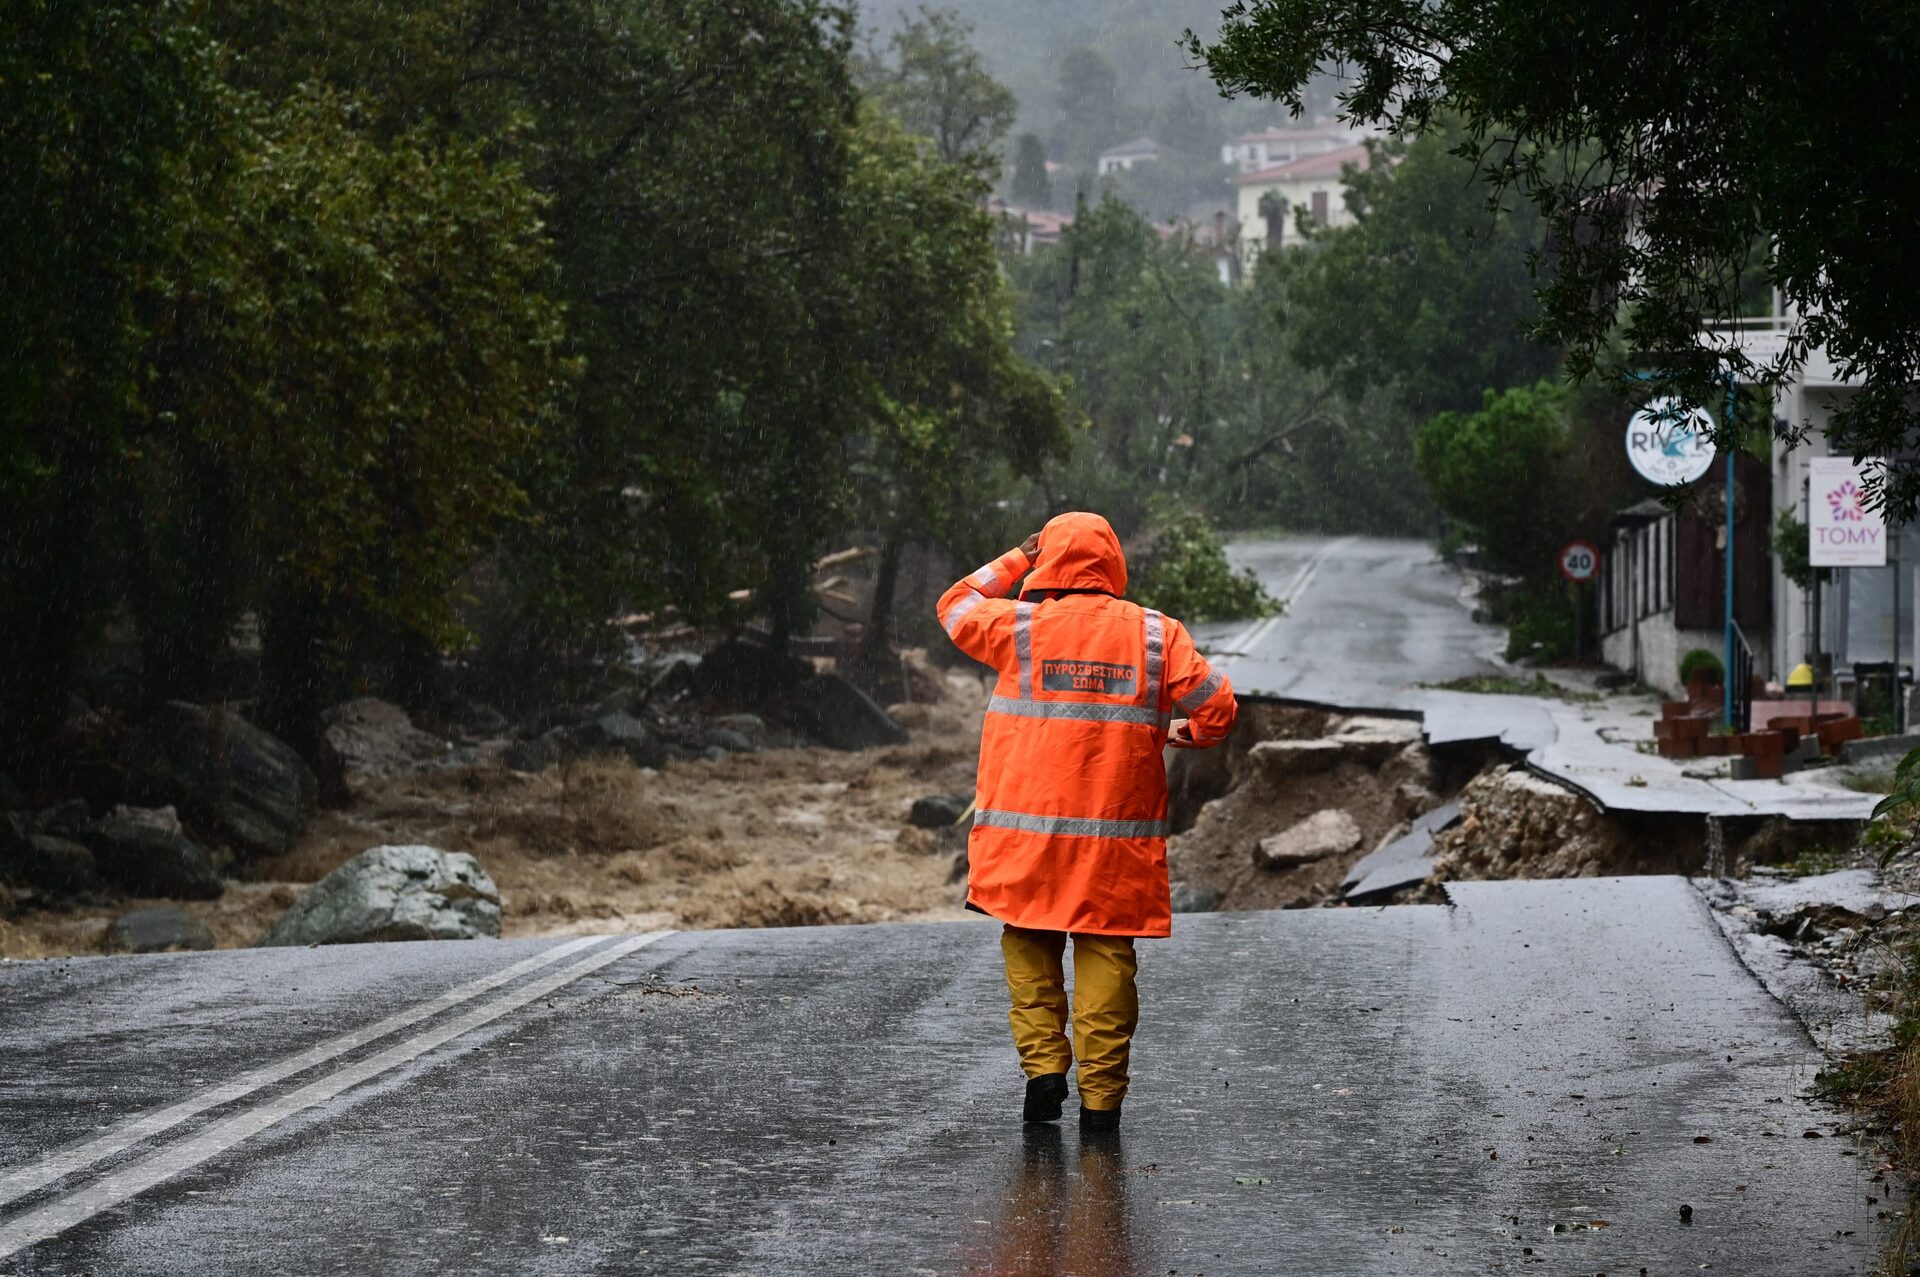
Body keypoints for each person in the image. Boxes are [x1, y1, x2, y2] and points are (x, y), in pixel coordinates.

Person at [937, 511, 1238, 1132]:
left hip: (1027, 837)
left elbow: (954, 604)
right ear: (1113, 564)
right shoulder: (1157, 634)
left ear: (1051, 563)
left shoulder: (1018, 626)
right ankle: (1102, 1105)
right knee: (1105, 955)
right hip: (1112, 842)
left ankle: (1044, 1072)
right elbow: (1219, 706)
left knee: (1028, 939)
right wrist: (1187, 734)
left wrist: (1019, 558)